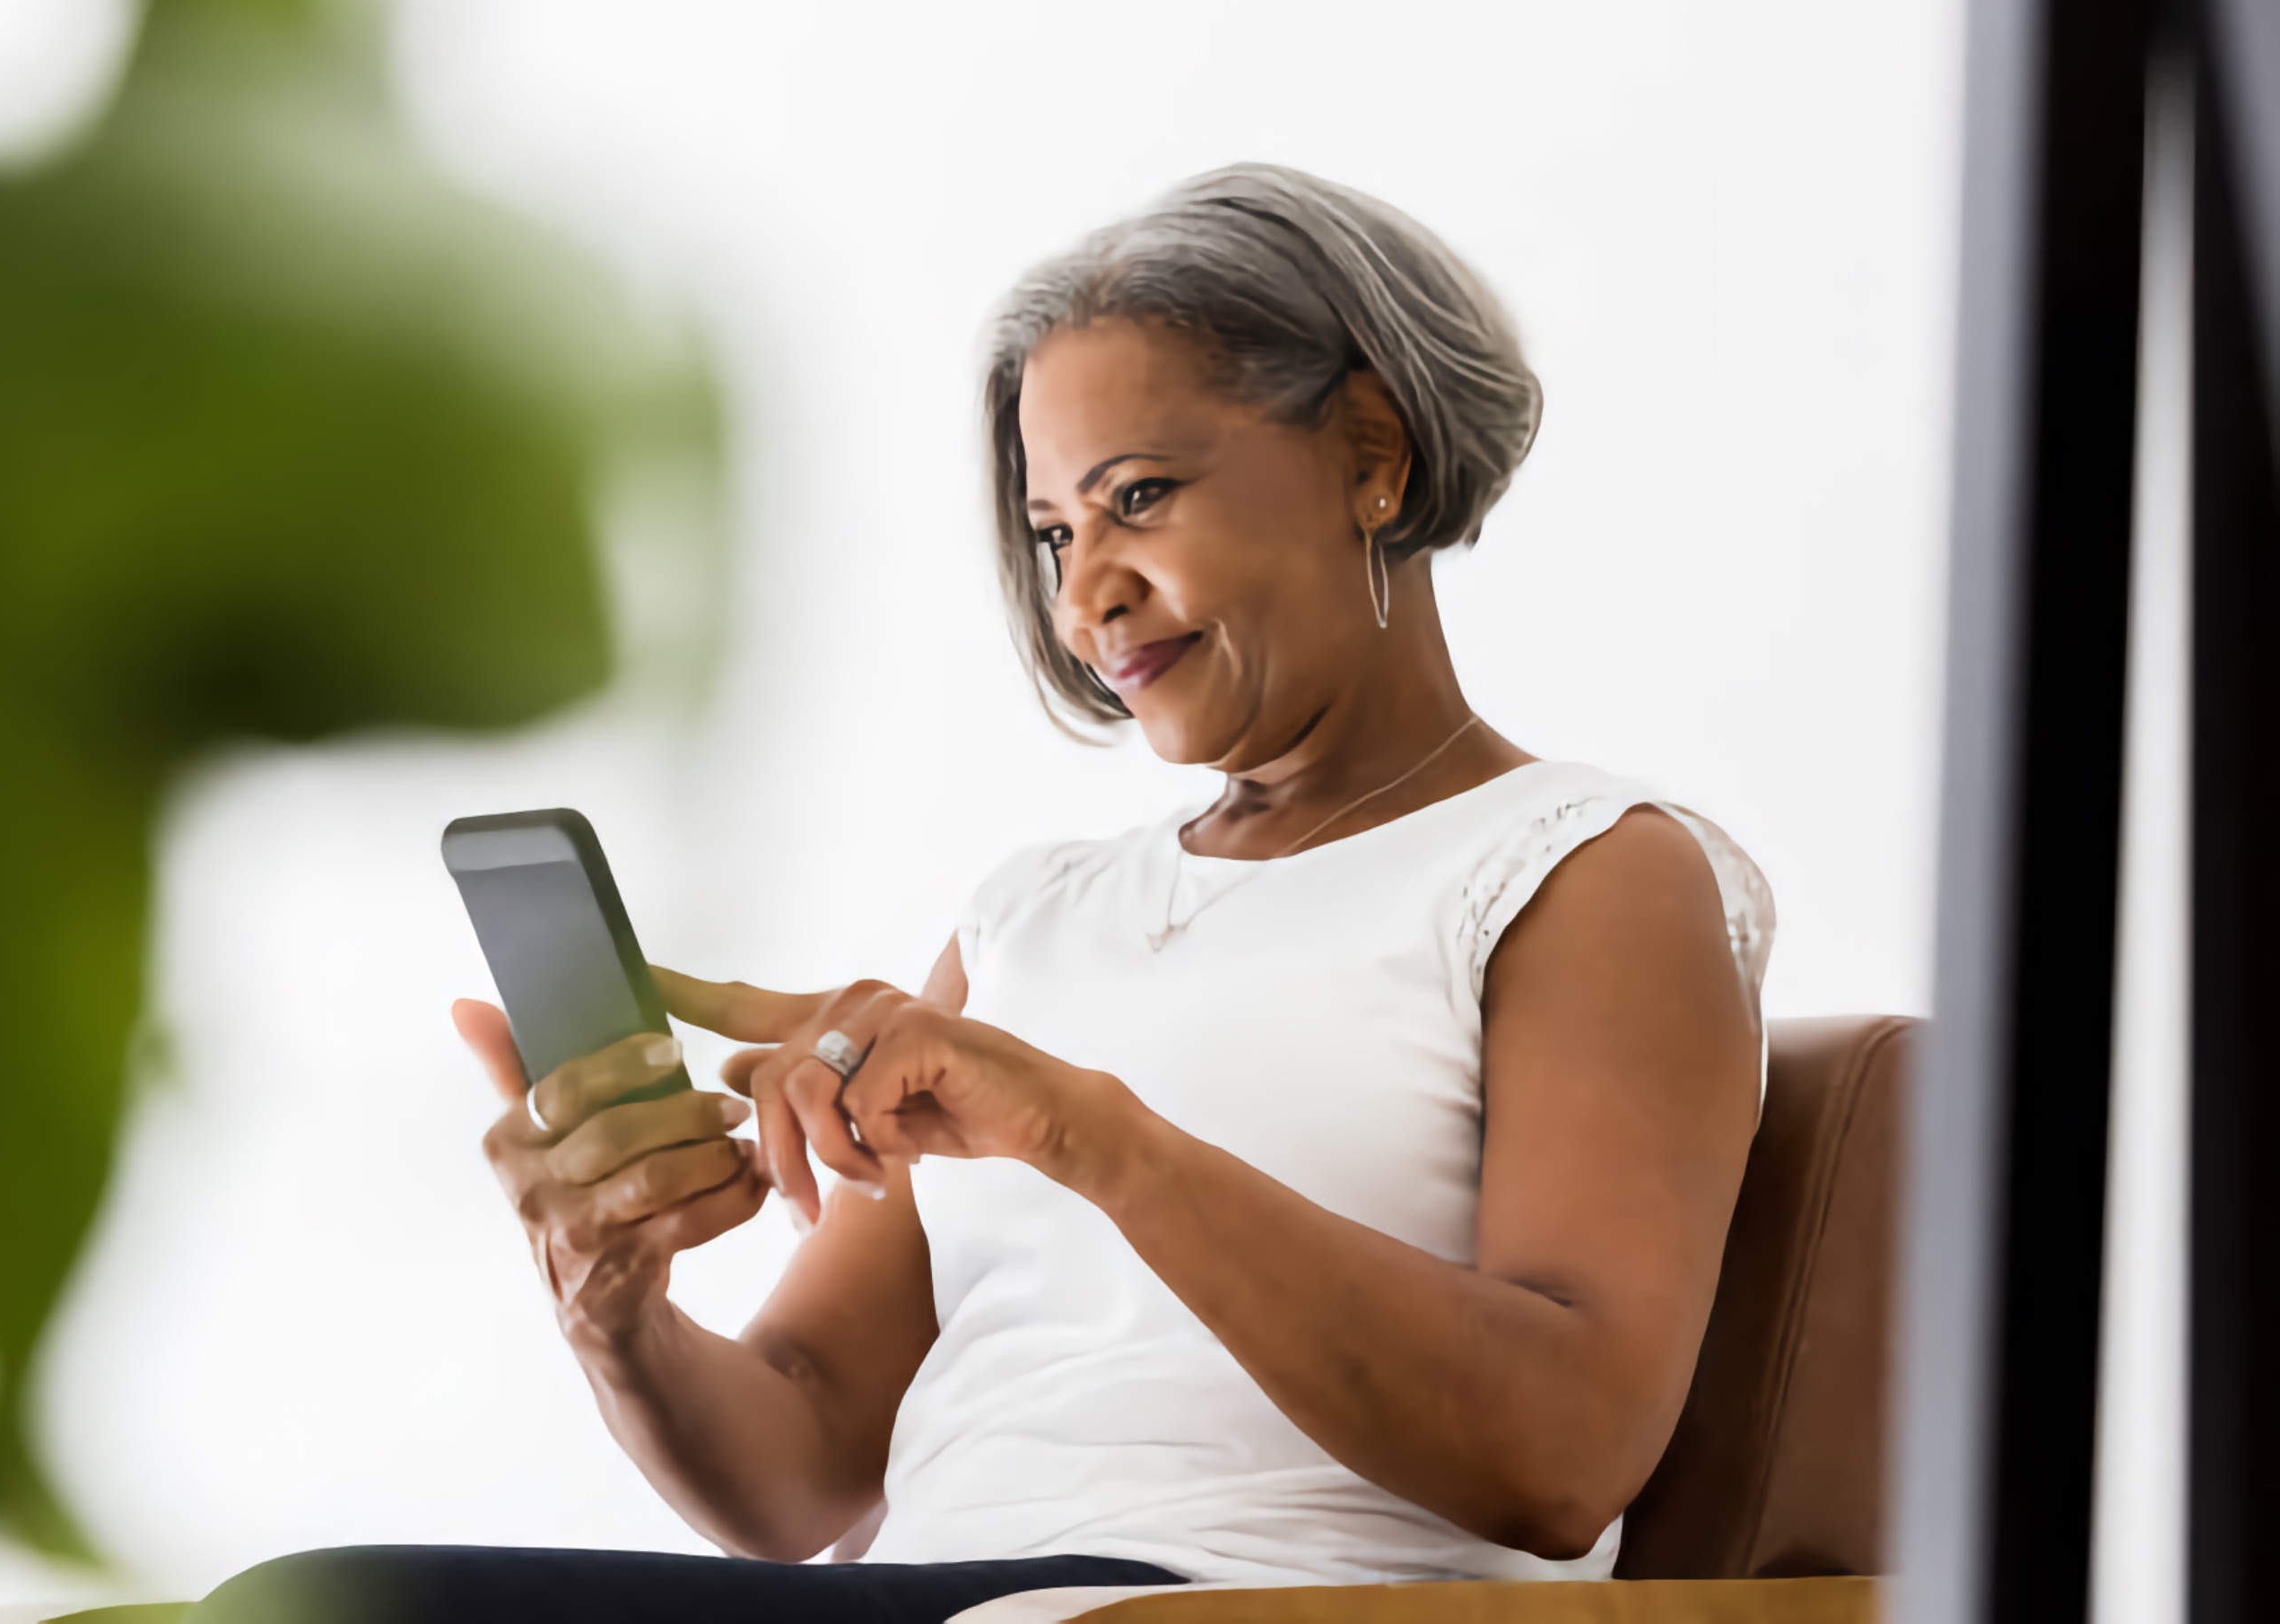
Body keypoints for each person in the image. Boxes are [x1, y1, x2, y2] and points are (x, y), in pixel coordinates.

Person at [193, 162, 1772, 1624]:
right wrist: (615, 1312)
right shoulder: (1035, 916)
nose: (1086, 591)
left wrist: (1085, 1130)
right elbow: (797, 1465)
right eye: (1051, 526)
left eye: (1141, 496)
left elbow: (1562, 1456)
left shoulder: (1584, 867)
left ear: (1371, 454)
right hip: (961, 1595)